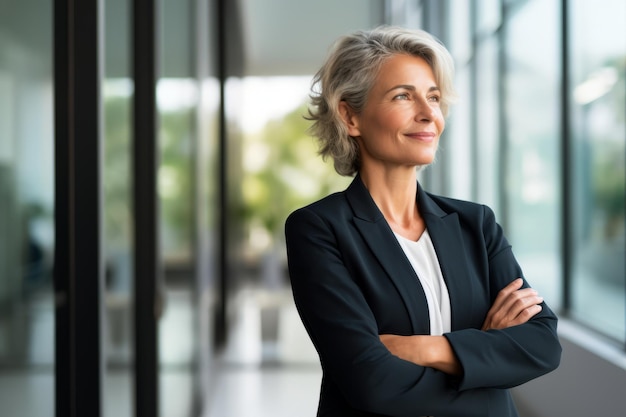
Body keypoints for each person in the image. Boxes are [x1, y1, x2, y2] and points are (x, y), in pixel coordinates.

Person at [284, 26, 561, 417]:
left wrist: (425, 348)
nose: (430, 114)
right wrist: (482, 353)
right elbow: (374, 385)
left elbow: (542, 345)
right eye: (403, 96)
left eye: (433, 97)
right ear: (350, 115)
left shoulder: (475, 223)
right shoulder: (319, 229)